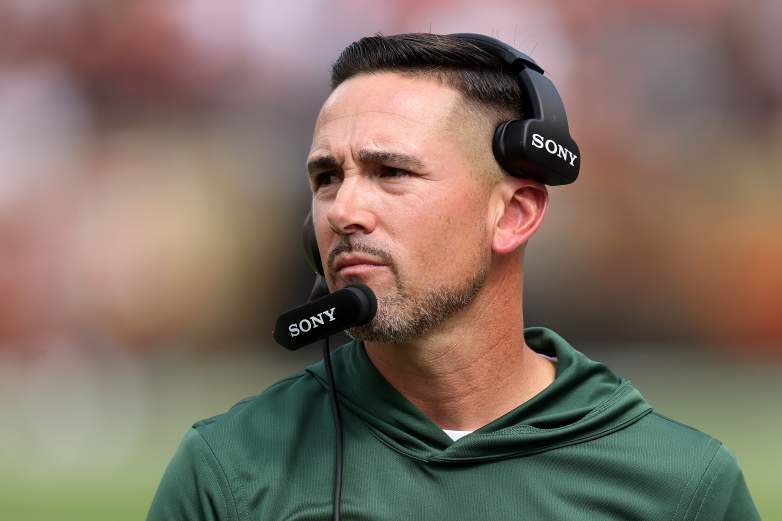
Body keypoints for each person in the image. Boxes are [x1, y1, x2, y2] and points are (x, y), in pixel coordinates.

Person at [147, 33, 760, 521]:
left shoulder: (681, 488)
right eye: (326, 177)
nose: (343, 212)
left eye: (391, 171)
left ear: (514, 214)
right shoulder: (227, 469)